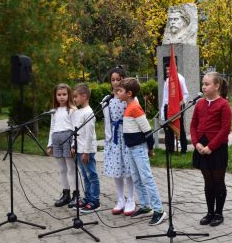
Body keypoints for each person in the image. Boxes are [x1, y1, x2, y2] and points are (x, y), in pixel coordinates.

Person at [115, 78, 166, 226]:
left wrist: (150, 148)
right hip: (131, 149)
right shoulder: (128, 107)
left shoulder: (135, 108)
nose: (118, 93)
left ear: (129, 93)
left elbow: (148, 131)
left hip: (139, 149)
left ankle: (159, 210)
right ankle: (145, 206)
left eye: (120, 91)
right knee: (136, 178)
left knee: (146, 178)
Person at [190, 72, 232, 227]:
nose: (203, 86)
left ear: (217, 86)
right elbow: (193, 125)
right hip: (201, 146)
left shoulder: (223, 104)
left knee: (218, 181)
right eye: (203, 83)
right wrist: (196, 144)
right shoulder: (200, 104)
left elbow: (225, 129)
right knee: (208, 181)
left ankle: (219, 213)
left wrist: (211, 147)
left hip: (217, 148)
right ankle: (209, 212)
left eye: (207, 84)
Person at [102, 67, 135, 216]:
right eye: (113, 80)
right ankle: (120, 199)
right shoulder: (107, 100)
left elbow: (135, 116)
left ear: (124, 79)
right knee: (117, 170)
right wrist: (108, 139)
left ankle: (131, 199)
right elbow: (107, 122)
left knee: (128, 169)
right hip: (115, 139)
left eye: (118, 79)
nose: (115, 83)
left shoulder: (130, 98)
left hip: (127, 135)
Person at [47, 83, 77, 208]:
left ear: (69, 95)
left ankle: (76, 194)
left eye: (64, 94)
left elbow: (76, 128)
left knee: (71, 168)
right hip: (56, 139)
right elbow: (52, 128)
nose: (61, 97)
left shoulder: (72, 110)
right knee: (62, 169)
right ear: (55, 96)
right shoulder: (54, 111)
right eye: (59, 95)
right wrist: (50, 144)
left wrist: (74, 145)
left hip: (68, 138)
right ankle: (66, 194)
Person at [71, 83, 100, 213]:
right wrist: (73, 145)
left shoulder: (89, 113)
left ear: (84, 96)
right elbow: (75, 131)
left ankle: (95, 200)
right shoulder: (78, 112)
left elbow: (89, 135)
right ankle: (87, 198)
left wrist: (86, 152)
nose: (74, 99)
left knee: (91, 175)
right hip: (78, 149)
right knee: (84, 175)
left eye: (76, 97)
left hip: (86, 150)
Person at [160, 65, 189, 154]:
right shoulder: (167, 80)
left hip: (178, 106)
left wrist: (180, 103)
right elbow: (165, 97)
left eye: (169, 69)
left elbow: (185, 94)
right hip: (167, 106)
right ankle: (170, 149)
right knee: (168, 128)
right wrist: (163, 109)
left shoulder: (180, 78)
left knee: (180, 127)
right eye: (166, 69)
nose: (168, 71)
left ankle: (183, 149)